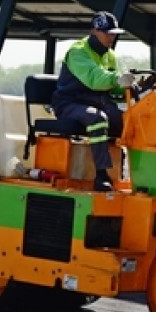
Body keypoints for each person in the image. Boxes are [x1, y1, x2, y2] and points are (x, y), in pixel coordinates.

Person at [51, 11, 136, 191]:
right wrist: (116, 79)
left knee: (131, 122)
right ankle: (102, 176)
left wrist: (131, 87)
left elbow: (112, 88)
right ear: (94, 31)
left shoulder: (109, 55)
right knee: (97, 118)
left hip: (96, 101)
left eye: (114, 33)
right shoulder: (78, 52)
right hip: (69, 103)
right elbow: (95, 79)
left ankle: (137, 177)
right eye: (107, 33)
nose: (111, 37)